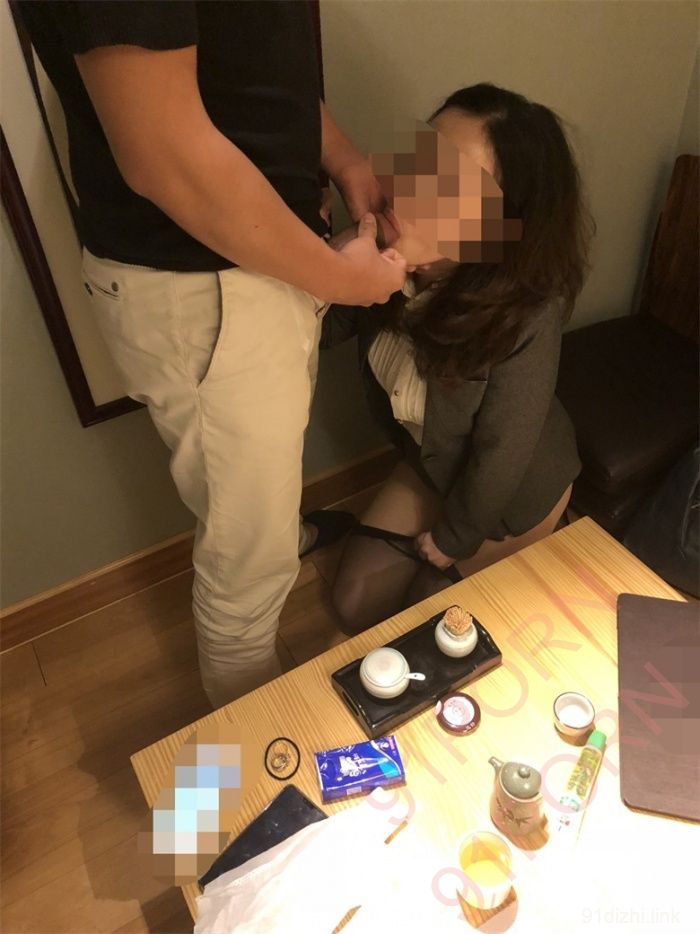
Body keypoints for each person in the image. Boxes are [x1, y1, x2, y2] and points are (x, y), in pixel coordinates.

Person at [17, 0, 406, 707]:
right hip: (209, 283)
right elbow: (163, 155)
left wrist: (343, 157)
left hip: (250, 267)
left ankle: (278, 536)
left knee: (253, 492)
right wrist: (341, 281)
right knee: (245, 570)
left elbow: (251, 58)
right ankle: (254, 756)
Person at [323, 84, 593, 632]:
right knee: (353, 603)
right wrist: (332, 261)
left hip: (514, 488)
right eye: (420, 160)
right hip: (434, 464)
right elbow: (320, 331)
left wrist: (453, 538)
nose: (407, 193)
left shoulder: (526, 311)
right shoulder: (386, 261)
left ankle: (547, 540)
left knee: (432, 621)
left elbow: (503, 453)